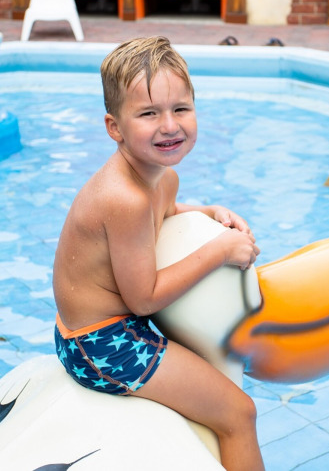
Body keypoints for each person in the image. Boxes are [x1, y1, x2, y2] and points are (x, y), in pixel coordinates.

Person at [52, 36, 264, 471]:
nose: (170, 126)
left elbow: (164, 213)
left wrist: (206, 212)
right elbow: (144, 298)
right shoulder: (123, 198)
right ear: (115, 127)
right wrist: (221, 248)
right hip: (101, 343)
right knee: (239, 414)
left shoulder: (160, 177)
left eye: (180, 109)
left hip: (110, 329)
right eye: (149, 113)